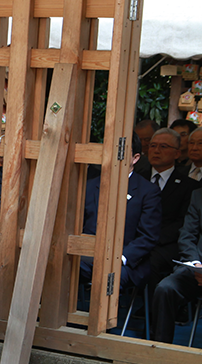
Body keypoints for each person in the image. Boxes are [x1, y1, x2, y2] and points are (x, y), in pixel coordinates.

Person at [80, 132, 161, 292]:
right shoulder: (89, 186)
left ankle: (104, 318)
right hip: (87, 257)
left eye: (120, 151)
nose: (113, 155)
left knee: (108, 278)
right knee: (58, 268)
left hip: (127, 262)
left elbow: (148, 236)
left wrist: (120, 258)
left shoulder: (148, 191)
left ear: (135, 158)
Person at [138, 128, 199, 286]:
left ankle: (151, 309)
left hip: (166, 244)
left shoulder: (189, 186)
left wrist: (152, 239)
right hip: (136, 239)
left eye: (163, 147)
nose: (156, 151)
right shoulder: (137, 179)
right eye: (153, 146)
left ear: (177, 153)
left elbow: (182, 222)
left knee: (150, 262)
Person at [151, 186, 202, 343]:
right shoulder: (198, 194)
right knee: (166, 288)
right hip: (197, 268)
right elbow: (187, 235)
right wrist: (196, 263)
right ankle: (160, 349)